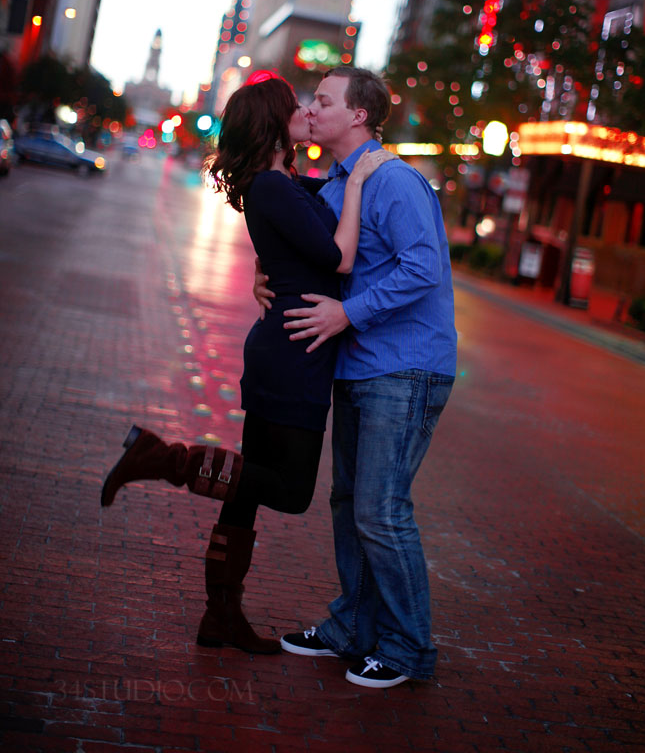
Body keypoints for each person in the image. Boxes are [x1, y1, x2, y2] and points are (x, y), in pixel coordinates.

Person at [101, 72, 394, 655]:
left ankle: (221, 617)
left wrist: (340, 181)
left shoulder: (280, 184)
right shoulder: (273, 187)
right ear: (272, 121)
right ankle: (164, 457)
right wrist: (360, 181)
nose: (305, 110)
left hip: (282, 348)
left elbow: (310, 215)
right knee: (289, 492)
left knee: (247, 490)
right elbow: (338, 256)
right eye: (296, 105)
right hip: (294, 354)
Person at [255, 66, 457, 689]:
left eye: (323, 100)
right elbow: (318, 255)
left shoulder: (394, 180)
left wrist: (349, 312)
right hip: (358, 364)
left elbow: (423, 267)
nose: (311, 110)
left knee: (381, 510)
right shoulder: (335, 184)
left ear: (360, 116)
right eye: (311, 101)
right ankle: (353, 629)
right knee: (351, 505)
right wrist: (269, 279)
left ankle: (407, 648)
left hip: (408, 364)